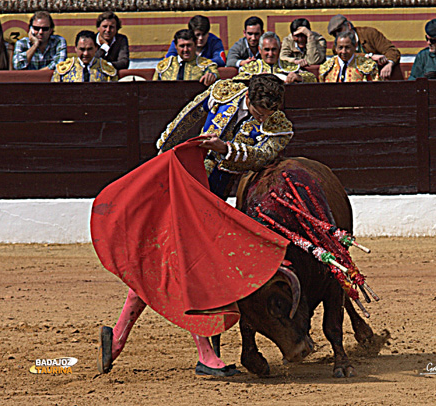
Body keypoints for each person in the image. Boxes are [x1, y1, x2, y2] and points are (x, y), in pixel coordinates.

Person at [98, 74, 293, 377]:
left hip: (210, 197)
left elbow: (259, 156)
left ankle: (118, 337)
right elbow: (189, 115)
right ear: (249, 98)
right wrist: (164, 152)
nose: (262, 117)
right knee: (186, 266)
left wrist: (225, 147)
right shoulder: (225, 91)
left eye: (268, 113)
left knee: (169, 262)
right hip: (182, 182)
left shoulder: (279, 126)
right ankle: (205, 355)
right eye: (258, 112)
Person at [327, 14, 401, 80]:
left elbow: (392, 51)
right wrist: (369, 56)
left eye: (340, 30)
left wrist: (389, 64)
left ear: (349, 25)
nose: (338, 35)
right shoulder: (336, 46)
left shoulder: (370, 34)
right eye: (334, 34)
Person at [234, 31, 317, 83]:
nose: (270, 54)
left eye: (274, 49)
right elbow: (236, 82)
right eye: (267, 50)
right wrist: (254, 79)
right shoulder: (250, 68)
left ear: (279, 49)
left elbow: (312, 78)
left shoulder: (288, 66)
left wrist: (299, 77)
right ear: (260, 50)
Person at [153, 29, 218, 86]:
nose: (185, 50)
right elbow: (153, 88)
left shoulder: (206, 65)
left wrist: (212, 76)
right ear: (175, 46)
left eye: (189, 45)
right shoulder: (164, 66)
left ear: (195, 44)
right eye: (182, 46)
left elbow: (215, 74)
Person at [51, 30, 117, 82]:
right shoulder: (63, 71)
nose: (86, 53)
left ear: (96, 48)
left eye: (89, 49)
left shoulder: (107, 71)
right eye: (82, 49)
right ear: (76, 48)